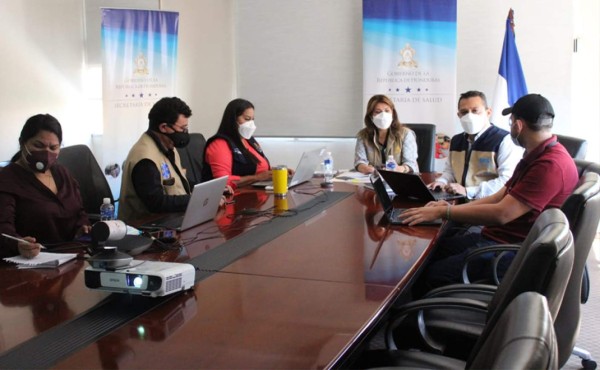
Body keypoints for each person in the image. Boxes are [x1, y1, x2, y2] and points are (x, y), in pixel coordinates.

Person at [401, 94, 579, 295]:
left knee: (431, 274)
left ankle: (417, 321)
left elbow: (501, 214)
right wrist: (447, 208)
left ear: (518, 125)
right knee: (431, 252)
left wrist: (445, 213)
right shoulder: (535, 155)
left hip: (512, 250)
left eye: (511, 122)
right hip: (497, 237)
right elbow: (499, 196)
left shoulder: (550, 165)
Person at [119, 97, 229, 223]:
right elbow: (157, 203)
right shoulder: (145, 159)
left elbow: (179, 182)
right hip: (147, 228)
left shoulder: (167, 146)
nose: (185, 133)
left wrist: (209, 191)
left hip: (172, 219)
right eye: (182, 129)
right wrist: (196, 199)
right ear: (164, 127)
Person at [0, 114, 91, 258]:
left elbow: (79, 212)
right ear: (22, 143)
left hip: (72, 256)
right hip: (33, 262)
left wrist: (82, 228)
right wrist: (19, 245)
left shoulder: (61, 173)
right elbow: (3, 229)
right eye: (38, 145)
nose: (46, 153)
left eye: (53, 147)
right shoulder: (7, 179)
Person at [428, 91, 523, 200]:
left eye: (475, 111)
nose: (469, 116)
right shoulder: (456, 140)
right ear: (459, 115)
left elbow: (507, 180)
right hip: (459, 202)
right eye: (464, 112)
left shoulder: (504, 140)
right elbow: (450, 171)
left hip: (489, 205)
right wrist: (441, 181)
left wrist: (468, 191)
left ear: (488, 112)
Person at [203, 98, 287, 189]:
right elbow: (223, 181)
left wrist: (277, 172)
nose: (251, 124)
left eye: (252, 119)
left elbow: (260, 168)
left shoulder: (249, 140)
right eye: (247, 119)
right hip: (233, 197)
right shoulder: (219, 144)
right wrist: (257, 178)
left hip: (254, 192)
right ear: (233, 119)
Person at [354, 94, 419, 174]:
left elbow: (411, 163)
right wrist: (365, 168)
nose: (383, 115)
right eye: (378, 112)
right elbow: (359, 161)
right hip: (373, 181)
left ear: (393, 113)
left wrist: (400, 169)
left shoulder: (406, 134)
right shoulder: (363, 135)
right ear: (371, 116)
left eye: (387, 111)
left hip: (401, 180)